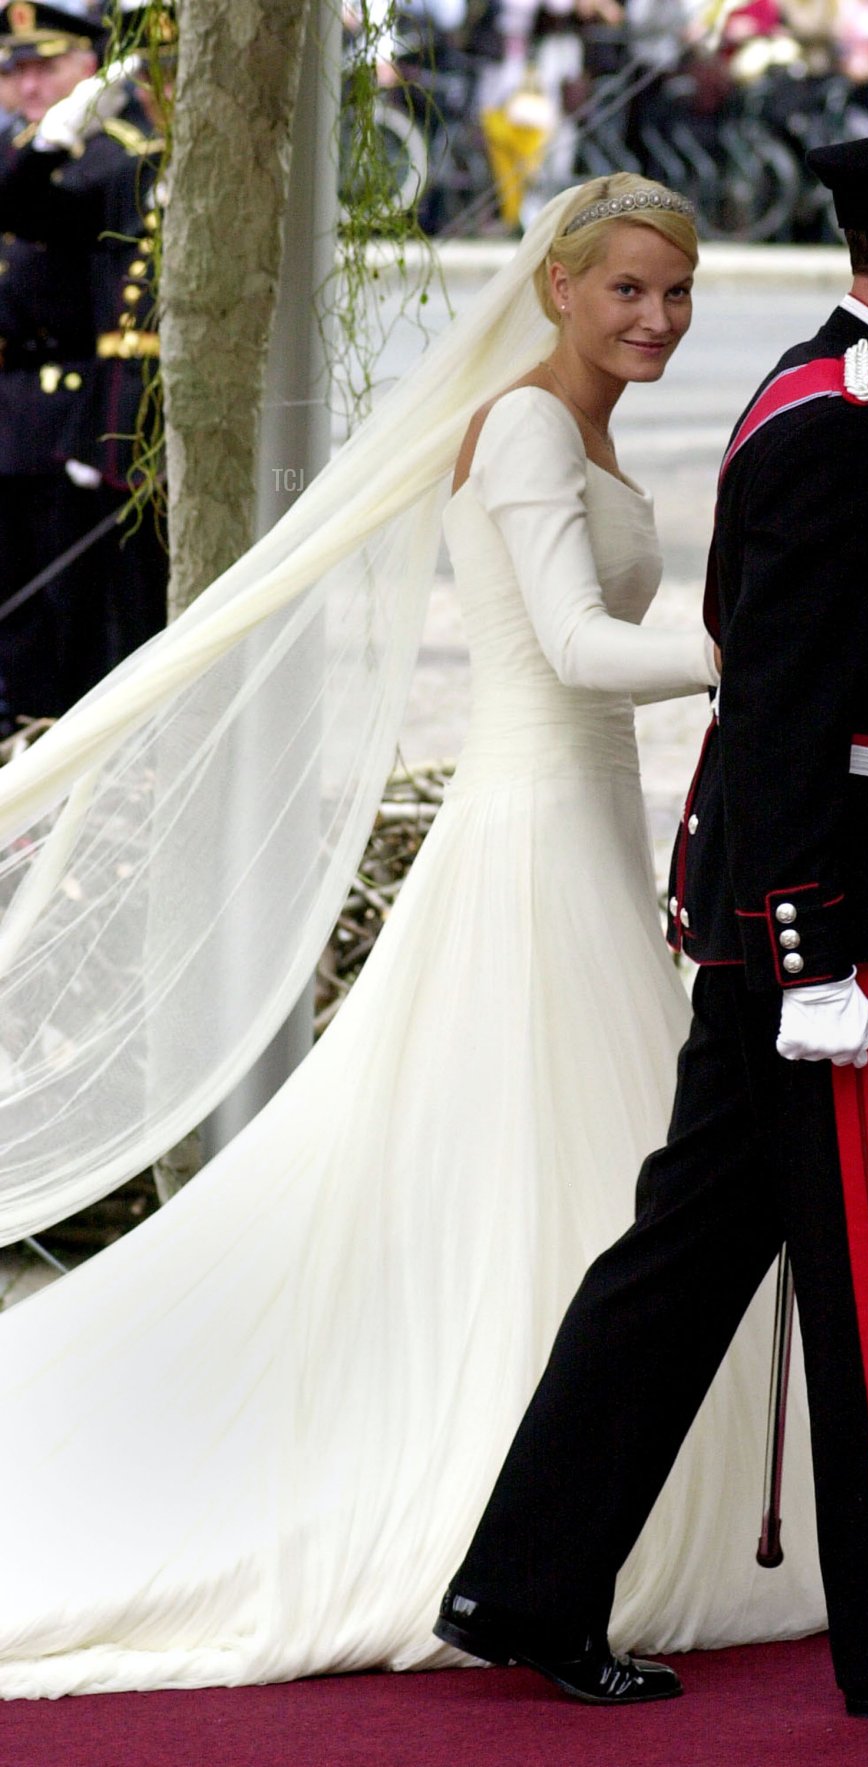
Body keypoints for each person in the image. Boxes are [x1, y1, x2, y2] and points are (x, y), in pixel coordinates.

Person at [0, 174, 826, 1700]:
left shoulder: (580, 426)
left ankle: (568, 1522)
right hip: (529, 838)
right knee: (568, 1179)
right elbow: (576, 650)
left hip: (591, 834)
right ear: (559, 286)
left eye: (681, 291)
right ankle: (517, 1532)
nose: (659, 318)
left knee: (607, 1174)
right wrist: (757, 647)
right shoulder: (521, 426)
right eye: (630, 289)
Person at [437, 107, 868, 1720]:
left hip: (811, 900)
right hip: (837, 918)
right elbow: (787, 708)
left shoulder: (857, 400)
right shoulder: (834, 421)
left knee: (688, 1253)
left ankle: (524, 1579)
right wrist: (814, 956)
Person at [0, 0, 168, 735]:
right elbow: (21, 209)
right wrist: (46, 150)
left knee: (109, 603)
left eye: (49, 67)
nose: (30, 84)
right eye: (18, 70)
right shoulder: (70, 153)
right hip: (61, 417)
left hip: (100, 412)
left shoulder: (119, 156)